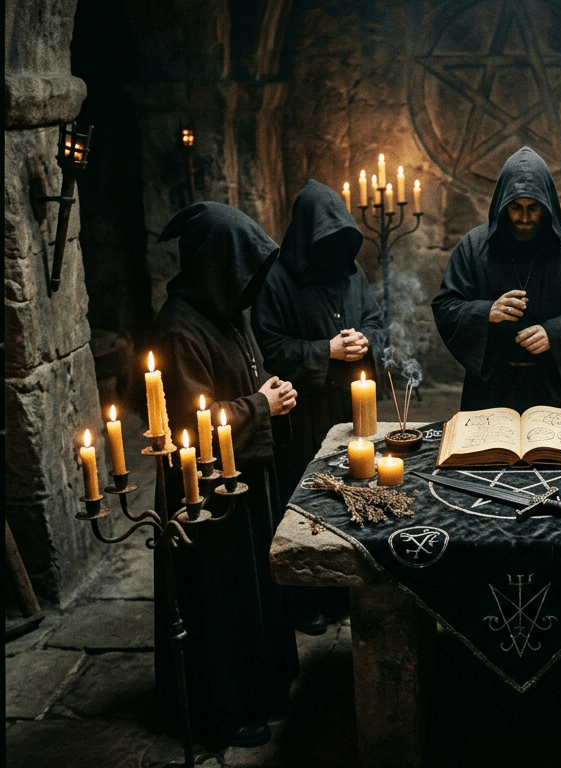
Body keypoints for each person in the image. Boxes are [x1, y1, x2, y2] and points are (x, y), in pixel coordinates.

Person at [152, 202, 299, 748]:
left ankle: (259, 686)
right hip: (205, 493)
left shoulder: (225, 313)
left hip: (245, 477)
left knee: (252, 589)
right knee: (217, 598)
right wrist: (261, 407)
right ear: (215, 265)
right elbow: (192, 424)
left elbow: (247, 380)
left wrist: (271, 397)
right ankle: (220, 707)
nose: (250, 285)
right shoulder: (179, 329)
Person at [252, 179, 385, 635]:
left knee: (352, 494)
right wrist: (324, 350)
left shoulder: (350, 271)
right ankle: (307, 600)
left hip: (350, 406)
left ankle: (345, 591)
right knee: (308, 501)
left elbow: (373, 319)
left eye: (339, 241)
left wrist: (366, 339)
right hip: (306, 412)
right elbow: (269, 345)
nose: (333, 251)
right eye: (323, 242)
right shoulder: (277, 279)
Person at [432, 146, 561, 412]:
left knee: (553, 454)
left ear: (546, 206)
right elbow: (445, 306)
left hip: (553, 390)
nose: (525, 218)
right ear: (503, 206)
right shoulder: (473, 246)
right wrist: (486, 312)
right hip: (490, 389)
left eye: (534, 208)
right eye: (516, 208)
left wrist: (556, 333)